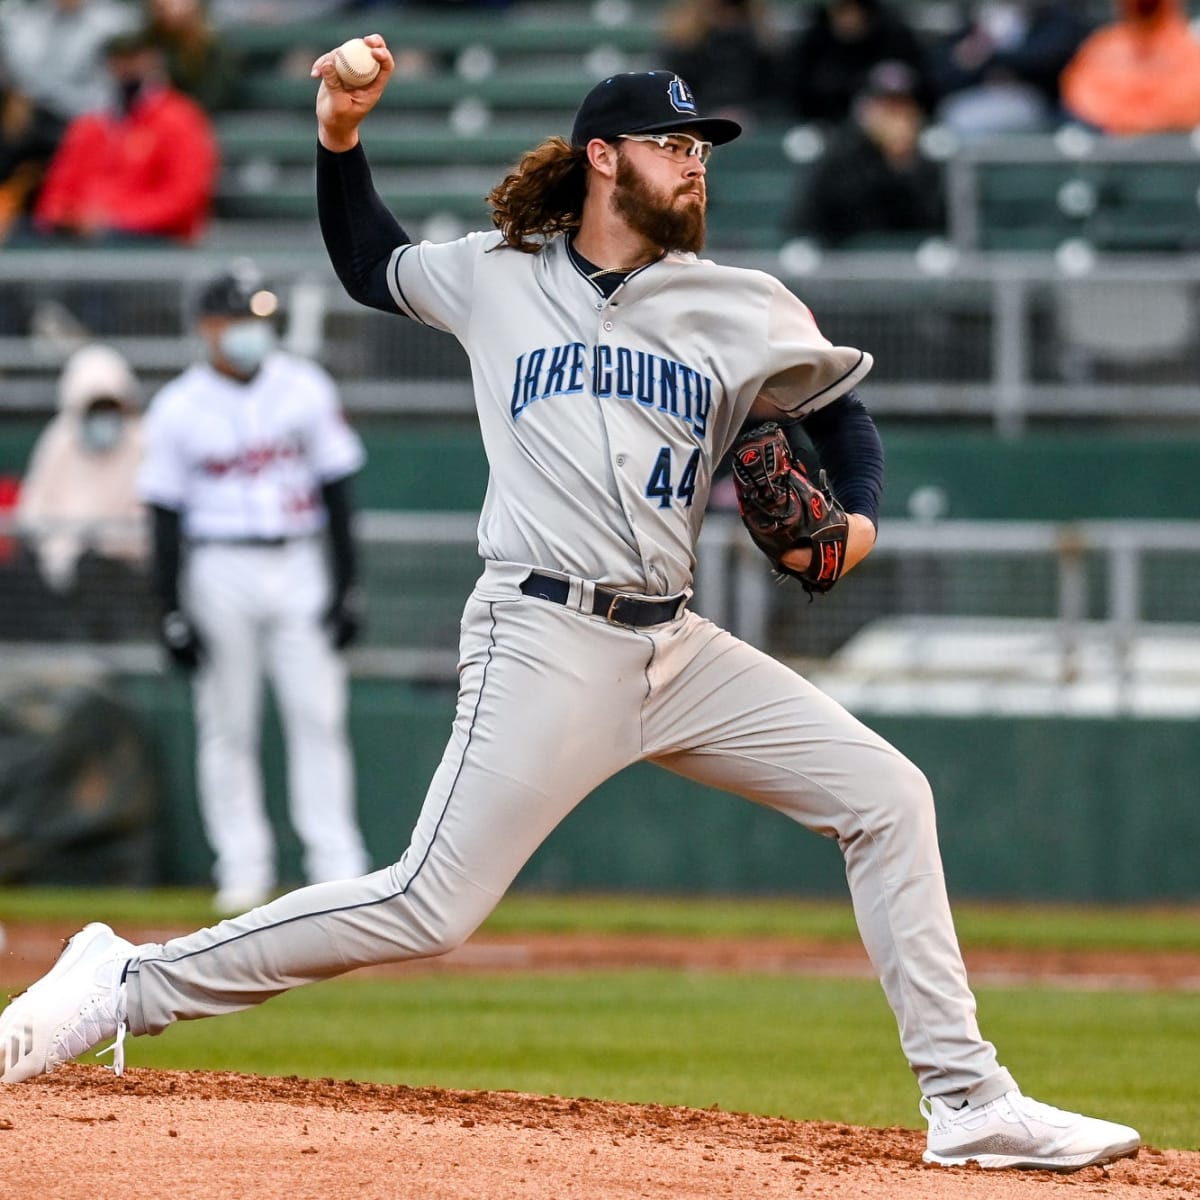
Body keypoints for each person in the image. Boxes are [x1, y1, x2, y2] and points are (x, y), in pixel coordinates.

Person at [0, 45, 1141, 1176]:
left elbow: (844, 418)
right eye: (672, 146)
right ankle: (125, 982)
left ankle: (968, 1101)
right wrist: (339, 135)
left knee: (890, 797)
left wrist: (859, 527)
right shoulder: (499, 272)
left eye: (703, 149)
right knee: (426, 906)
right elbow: (368, 261)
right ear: (604, 158)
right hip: (541, 633)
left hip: (676, 646)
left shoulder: (739, 305)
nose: (696, 167)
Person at [135, 259, 371, 915]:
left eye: (260, 317)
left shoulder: (304, 387)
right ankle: (242, 867)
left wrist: (349, 585)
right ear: (207, 326)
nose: (250, 330)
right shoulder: (178, 406)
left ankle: (336, 866)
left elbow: (337, 490)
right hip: (218, 566)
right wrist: (170, 610)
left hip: (298, 559)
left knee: (318, 715)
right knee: (228, 724)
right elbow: (163, 515)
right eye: (238, 317)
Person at [30, 28, 219, 244]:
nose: (126, 68)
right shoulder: (90, 124)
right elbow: (56, 193)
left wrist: (115, 219)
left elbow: (184, 199)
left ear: (151, 61)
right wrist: (65, 218)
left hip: (154, 239)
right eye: (119, 60)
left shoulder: (181, 119)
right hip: (83, 237)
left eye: (134, 59)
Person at [14, 343, 151, 639]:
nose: (103, 419)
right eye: (94, 409)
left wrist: (109, 545)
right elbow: (32, 512)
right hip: (63, 572)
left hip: (127, 576)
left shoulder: (144, 443)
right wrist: (68, 546)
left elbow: (149, 520)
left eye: (110, 408)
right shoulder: (59, 441)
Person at [0, 0, 137, 237]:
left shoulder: (115, 23)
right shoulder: (25, 22)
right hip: (37, 115)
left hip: (89, 118)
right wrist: (20, 94)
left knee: (80, 140)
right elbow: (22, 72)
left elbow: (113, 88)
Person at [790, 60, 946, 248]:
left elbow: (934, 224)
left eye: (901, 107)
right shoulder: (839, 155)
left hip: (909, 268)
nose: (895, 118)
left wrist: (904, 166)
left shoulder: (928, 161)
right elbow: (812, 219)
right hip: (844, 267)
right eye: (886, 107)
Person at [931, 0, 1090, 139]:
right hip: (978, 95)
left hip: (1036, 101)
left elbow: (1047, 60)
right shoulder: (978, 18)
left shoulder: (1053, 17)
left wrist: (990, 55)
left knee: (967, 121)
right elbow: (948, 71)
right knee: (954, 116)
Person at [1059, 0, 1200, 135]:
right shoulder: (1102, 46)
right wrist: (1124, 120)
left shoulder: (1189, 47)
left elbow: (1189, 103)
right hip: (1108, 144)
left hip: (1173, 146)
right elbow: (1082, 94)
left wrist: (1143, 122)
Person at [783, 0, 935, 126]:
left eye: (853, 11)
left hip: (889, 121)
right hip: (828, 121)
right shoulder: (816, 39)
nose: (848, 20)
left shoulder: (893, 35)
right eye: (842, 12)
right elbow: (799, 89)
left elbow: (921, 85)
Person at [657, 0, 780, 127]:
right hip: (698, 118)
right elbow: (673, 94)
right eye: (720, 10)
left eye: (733, 9)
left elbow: (775, 95)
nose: (728, 17)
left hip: (756, 120)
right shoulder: (683, 45)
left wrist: (748, 113)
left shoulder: (761, 44)